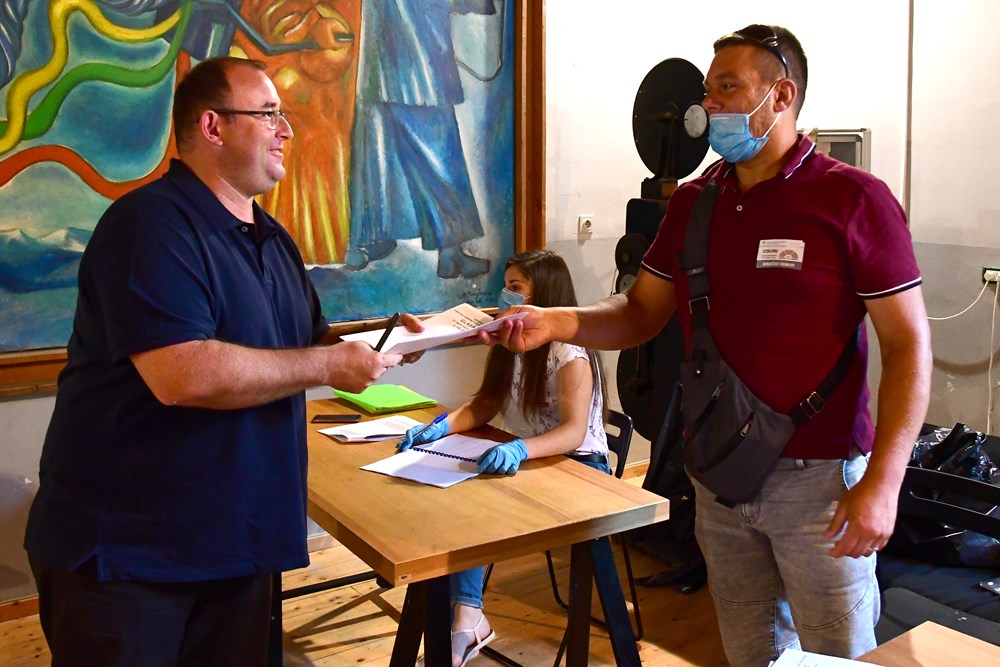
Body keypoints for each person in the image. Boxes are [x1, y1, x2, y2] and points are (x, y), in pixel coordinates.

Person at [481, 24, 933, 666]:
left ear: (781, 95)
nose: (707, 105)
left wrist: (884, 483)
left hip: (820, 482)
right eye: (707, 90)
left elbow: (909, 345)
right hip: (719, 472)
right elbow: (640, 312)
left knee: (837, 655)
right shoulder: (695, 201)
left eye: (727, 88)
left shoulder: (854, 199)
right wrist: (556, 322)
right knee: (750, 649)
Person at [22, 57, 420, 666]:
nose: (287, 130)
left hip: (235, 545)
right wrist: (329, 367)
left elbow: (307, 342)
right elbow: (184, 374)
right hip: (134, 557)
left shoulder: (272, 238)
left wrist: (398, 341)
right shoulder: (150, 226)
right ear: (213, 126)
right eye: (268, 114)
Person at [397, 249, 610, 667]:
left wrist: (518, 448)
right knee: (451, 494)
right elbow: (486, 402)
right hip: (534, 459)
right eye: (506, 285)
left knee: (473, 504)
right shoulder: (509, 339)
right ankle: (465, 617)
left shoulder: (569, 351)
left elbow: (573, 432)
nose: (505, 295)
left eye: (515, 287)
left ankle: (466, 620)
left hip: (579, 466)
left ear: (543, 294)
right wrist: (441, 426)